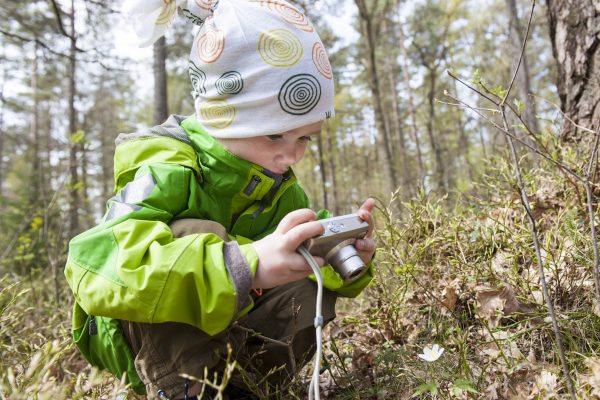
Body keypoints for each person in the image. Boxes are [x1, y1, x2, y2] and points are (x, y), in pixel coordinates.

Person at [64, 0, 376, 398]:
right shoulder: (169, 167)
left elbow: (303, 266)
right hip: (134, 335)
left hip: (232, 340)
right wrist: (248, 264)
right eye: (275, 135)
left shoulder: (277, 186)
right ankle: (187, 388)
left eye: (305, 137)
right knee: (195, 232)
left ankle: (246, 387)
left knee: (303, 267)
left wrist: (339, 256)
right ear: (220, 119)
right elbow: (97, 267)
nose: (292, 154)